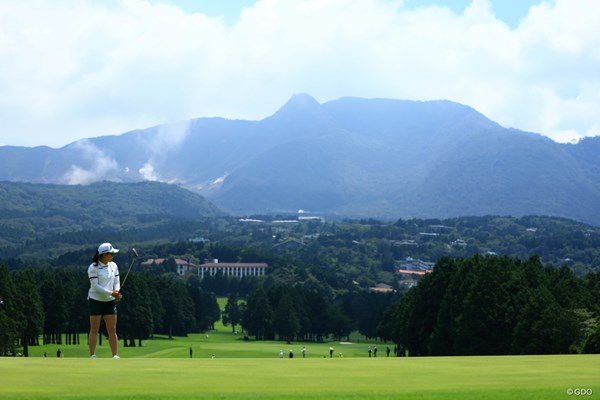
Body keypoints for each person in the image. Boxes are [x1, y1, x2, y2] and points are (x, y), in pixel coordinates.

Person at [87, 242, 123, 358]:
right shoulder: (93, 268)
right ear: (104, 254)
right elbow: (95, 287)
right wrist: (112, 293)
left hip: (110, 301)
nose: (113, 256)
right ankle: (92, 354)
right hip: (95, 300)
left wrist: (116, 292)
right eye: (111, 253)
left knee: (112, 329)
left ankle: (115, 355)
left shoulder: (114, 265)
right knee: (94, 329)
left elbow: (116, 281)